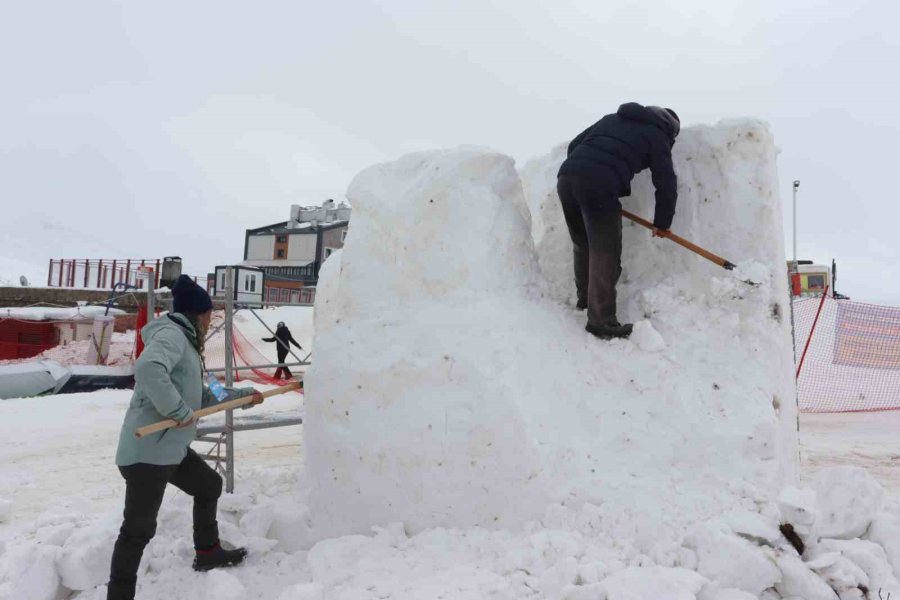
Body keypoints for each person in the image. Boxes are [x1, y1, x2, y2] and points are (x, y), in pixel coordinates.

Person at [107, 275, 264, 600]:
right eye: (209, 314)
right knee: (137, 531)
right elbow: (148, 367)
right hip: (148, 454)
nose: (211, 320)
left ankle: (207, 552)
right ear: (197, 313)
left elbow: (205, 393)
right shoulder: (172, 336)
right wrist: (178, 411)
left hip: (168, 449)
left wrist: (245, 395)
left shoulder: (189, 346)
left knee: (208, 485)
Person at [557, 102, 680, 340]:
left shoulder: (611, 118)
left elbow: (574, 145)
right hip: (600, 182)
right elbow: (665, 181)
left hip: (567, 177)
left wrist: (584, 172)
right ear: (669, 129)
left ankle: (585, 299)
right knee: (606, 252)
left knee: (583, 243)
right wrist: (662, 223)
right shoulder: (657, 135)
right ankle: (601, 321)